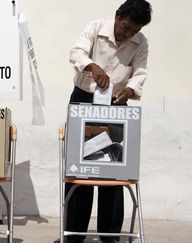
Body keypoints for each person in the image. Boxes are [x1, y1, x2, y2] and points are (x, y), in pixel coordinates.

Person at [65, 0, 152, 243]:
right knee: (79, 169)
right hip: (83, 98)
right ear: (117, 15)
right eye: (125, 27)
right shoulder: (95, 28)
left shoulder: (140, 42)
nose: (128, 34)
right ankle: (73, 233)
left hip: (116, 104)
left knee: (113, 169)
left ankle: (109, 235)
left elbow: (140, 72)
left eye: (134, 31)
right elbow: (76, 52)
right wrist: (93, 66)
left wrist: (131, 91)